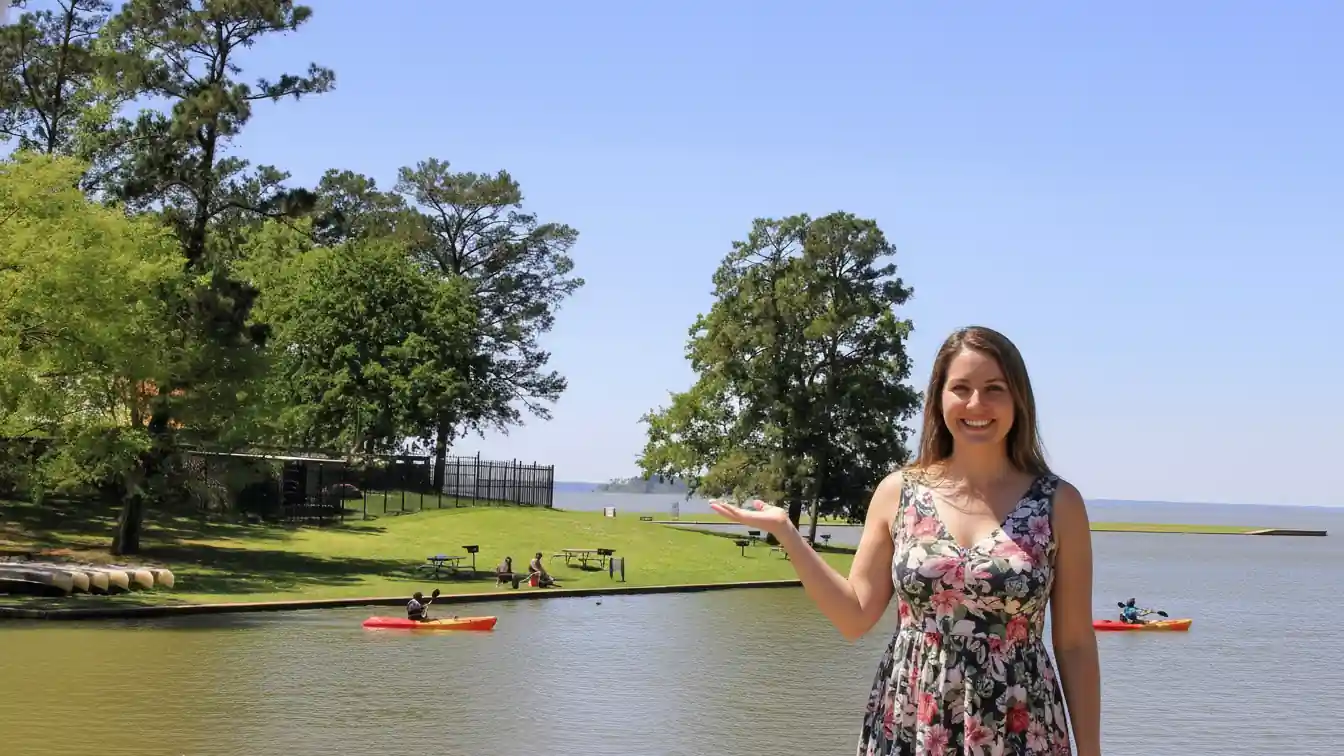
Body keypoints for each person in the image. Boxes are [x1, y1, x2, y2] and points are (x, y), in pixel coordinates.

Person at [711, 326, 1101, 756]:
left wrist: (1092, 751)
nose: (976, 404)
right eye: (961, 388)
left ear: (1018, 400)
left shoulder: (1058, 503)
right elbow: (854, 615)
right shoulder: (898, 492)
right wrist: (787, 532)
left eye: (995, 389)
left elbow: (1076, 644)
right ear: (938, 398)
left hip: (1020, 723)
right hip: (912, 719)